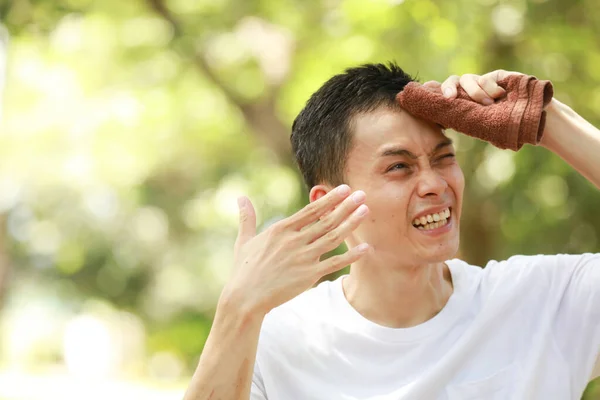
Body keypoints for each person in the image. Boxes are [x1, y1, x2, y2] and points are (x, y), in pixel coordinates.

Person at [183, 63, 600, 399]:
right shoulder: (278, 343)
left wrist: (548, 120)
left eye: (442, 158)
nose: (435, 183)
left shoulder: (543, 301)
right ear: (330, 205)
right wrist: (237, 310)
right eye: (399, 167)